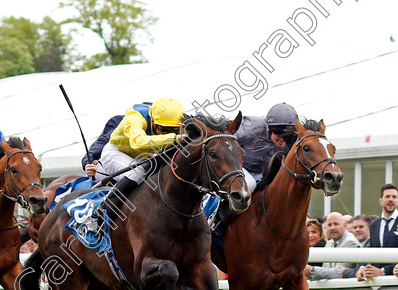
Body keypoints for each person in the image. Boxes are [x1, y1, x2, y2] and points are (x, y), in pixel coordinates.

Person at [84, 98, 185, 233]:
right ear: (153, 121)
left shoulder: (177, 122)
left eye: (173, 130)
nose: (166, 133)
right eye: (163, 129)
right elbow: (138, 142)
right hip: (115, 153)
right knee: (137, 172)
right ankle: (99, 215)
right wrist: (176, 138)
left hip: (144, 159)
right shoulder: (135, 116)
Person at [209, 102, 299, 230]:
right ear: (268, 128)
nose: (282, 141)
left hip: (267, 175)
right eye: (278, 135)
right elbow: (224, 143)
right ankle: (216, 221)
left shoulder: (296, 138)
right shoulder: (249, 127)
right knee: (250, 184)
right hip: (241, 170)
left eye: (287, 136)